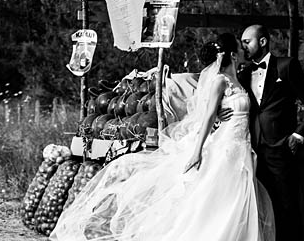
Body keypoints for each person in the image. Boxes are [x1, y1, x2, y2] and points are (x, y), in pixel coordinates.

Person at [51, 33, 275, 241]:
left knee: (235, 201)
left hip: (241, 147)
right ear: (233, 55)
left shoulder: (239, 81)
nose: (245, 48)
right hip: (226, 148)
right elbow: (206, 117)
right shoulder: (219, 81)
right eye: (241, 45)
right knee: (222, 199)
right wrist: (197, 151)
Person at [238, 24, 304, 241]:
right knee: (261, 208)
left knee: (287, 207)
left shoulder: (286, 65)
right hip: (253, 151)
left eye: (247, 41)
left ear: (263, 41)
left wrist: (299, 134)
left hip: (281, 148)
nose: (243, 46)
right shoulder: (244, 73)